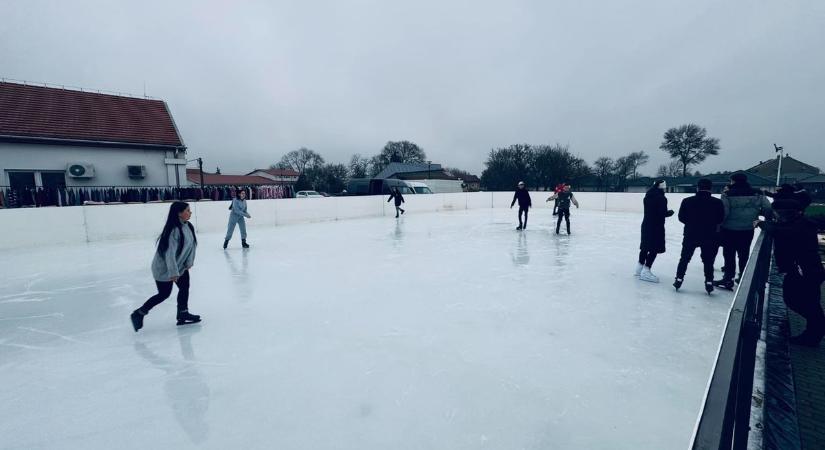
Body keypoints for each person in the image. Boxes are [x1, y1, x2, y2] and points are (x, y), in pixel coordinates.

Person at [757, 199, 825, 347]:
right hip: (803, 270)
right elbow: (781, 229)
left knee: (804, 303)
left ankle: (814, 333)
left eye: (776, 213)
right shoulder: (799, 222)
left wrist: (762, 223)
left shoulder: (799, 225)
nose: (775, 216)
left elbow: (781, 231)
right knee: (800, 300)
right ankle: (814, 331)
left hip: (806, 271)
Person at [131, 202, 201, 332]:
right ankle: (139, 313)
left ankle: (182, 313)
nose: (190, 212)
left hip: (179, 266)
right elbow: (169, 254)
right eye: (187, 210)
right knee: (164, 294)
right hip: (165, 269)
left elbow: (192, 245)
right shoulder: (173, 230)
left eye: (190, 210)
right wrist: (173, 272)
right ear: (179, 213)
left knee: (184, 287)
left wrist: (188, 263)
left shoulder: (188, 226)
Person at [713, 173, 772, 290]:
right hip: (747, 229)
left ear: (733, 181)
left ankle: (728, 278)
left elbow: (724, 212)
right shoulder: (757, 193)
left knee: (729, 254)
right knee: (743, 253)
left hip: (729, 229)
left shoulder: (727, 194)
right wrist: (764, 219)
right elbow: (768, 208)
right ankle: (743, 277)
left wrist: (718, 226)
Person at [673, 179, 725, 293]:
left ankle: (679, 279)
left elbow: (681, 217)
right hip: (709, 235)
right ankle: (709, 282)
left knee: (685, 258)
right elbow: (721, 219)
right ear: (710, 188)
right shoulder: (717, 202)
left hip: (691, 234)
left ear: (697, 188)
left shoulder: (687, 201)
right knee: (708, 260)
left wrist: (691, 223)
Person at [637, 180, 674, 283]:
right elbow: (661, 213)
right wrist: (669, 213)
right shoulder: (661, 198)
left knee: (645, 247)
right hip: (656, 226)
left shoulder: (647, 196)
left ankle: (639, 268)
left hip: (646, 225)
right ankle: (646, 270)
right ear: (662, 187)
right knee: (654, 248)